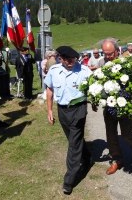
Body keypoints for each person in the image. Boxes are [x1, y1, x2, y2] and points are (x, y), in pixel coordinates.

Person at [45, 46, 93, 195]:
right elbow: (50, 90)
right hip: (63, 110)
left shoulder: (84, 71)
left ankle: (69, 181)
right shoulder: (54, 71)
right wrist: (50, 110)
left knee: (73, 143)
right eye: (67, 60)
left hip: (79, 108)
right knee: (75, 140)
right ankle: (88, 157)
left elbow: (94, 88)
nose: (71, 62)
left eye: (73, 60)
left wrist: (95, 102)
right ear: (61, 59)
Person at [97, 38, 132, 175]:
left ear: (117, 50)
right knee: (111, 136)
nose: (108, 56)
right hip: (109, 107)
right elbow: (97, 83)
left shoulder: (126, 62)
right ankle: (117, 160)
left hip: (125, 106)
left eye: (110, 53)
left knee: (126, 134)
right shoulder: (101, 62)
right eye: (105, 53)